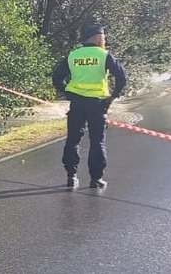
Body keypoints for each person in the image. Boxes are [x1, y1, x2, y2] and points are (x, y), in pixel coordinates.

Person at [52, 24, 127, 190]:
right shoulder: (104, 55)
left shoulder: (73, 55)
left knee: (72, 140)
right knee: (97, 141)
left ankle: (71, 177)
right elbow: (122, 77)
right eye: (103, 37)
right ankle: (96, 179)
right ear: (97, 37)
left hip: (77, 104)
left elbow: (56, 77)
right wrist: (112, 97)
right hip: (97, 104)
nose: (105, 40)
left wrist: (67, 92)